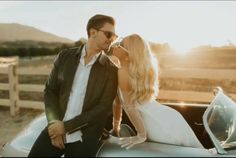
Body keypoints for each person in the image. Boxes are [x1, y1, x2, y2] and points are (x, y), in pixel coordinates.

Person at [28, 14, 118, 157]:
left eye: (115, 36)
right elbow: (50, 91)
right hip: (54, 130)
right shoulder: (64, 57)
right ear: (93, 32)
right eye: (109, 34)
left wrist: (65, 127)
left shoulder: (111, 70)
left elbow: (103, 108)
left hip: (85, 138)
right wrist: (54, 125)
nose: (112, 39)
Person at [110, 34, 204, 149]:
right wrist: (116, 128)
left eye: (121, 45)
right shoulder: (126, 71)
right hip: (167, 117)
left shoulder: (123, 72)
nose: (116, 46)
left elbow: (129, 107)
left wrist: (141, 135)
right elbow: (117, 103)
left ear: (128, 53)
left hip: (160, 124)